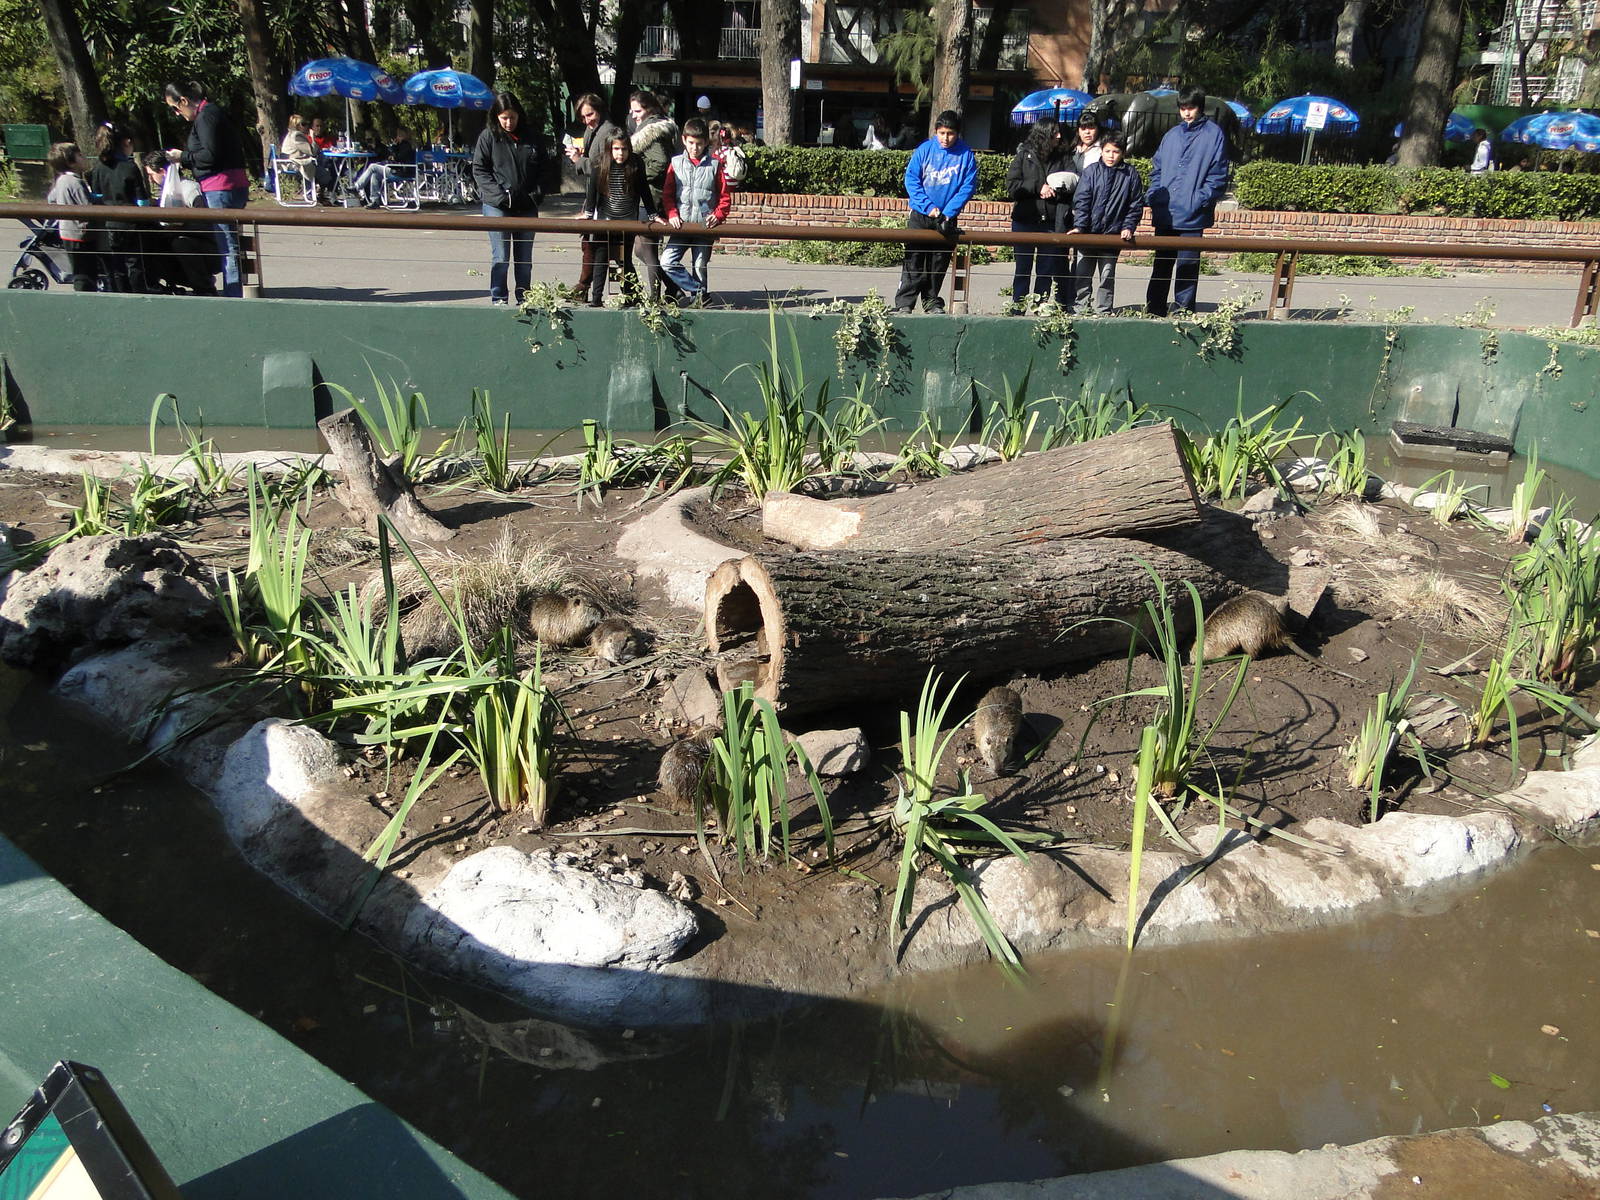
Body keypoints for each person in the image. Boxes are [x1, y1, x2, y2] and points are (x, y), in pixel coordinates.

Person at [1143, 86, 1230, 317]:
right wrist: (1155, 195)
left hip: (1192, 216)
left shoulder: (1214, 135)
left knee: (1187, 268)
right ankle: (1154, 311)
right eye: (1182, 108)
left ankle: (1183, 312)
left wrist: (1198, 200)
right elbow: (1157, 169)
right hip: (1166, 214)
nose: (1186, 113)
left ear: (1200, 108)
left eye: (1190, 108)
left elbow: (1218, 175)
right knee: (1161, 267)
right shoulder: (1171, 135)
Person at [163, 81, 250, 297]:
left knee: (227, 246)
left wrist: (181, 157)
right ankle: (234, 292)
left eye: (175, 108)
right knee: (229, 244)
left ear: (184, 101)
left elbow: (210, 155)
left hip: (221, 188)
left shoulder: (206, 116)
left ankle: (233, 297)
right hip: (228, 185)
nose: (176, 114)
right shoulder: (211, 115)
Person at [893, 109, 977, 315]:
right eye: (942, 133)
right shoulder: (924, 150)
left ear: (957, 133)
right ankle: (905, 302)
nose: (946, 138)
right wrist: (930, 208)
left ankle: (931, 301)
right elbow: (912, 180)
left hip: (947, 217)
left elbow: (968, 186)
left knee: (938, 261)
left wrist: (948, 212)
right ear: (936, 132)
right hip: (922, 215)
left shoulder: (966, 155)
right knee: (914, 259)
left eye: (950, 133)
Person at [471, 92, 545, 305]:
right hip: (498, 205)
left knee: (524, 260)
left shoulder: (532, 137)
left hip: (527, 204)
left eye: (512, 117)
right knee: (501, 256)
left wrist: (536, 193)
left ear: (519, 115)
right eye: (504, 118)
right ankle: (499, 298)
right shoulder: (488, 137)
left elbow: (544, 169)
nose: (509, 122)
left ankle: (524, 298)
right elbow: (480, 170)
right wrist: (499, 196)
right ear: (496, 116)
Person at [1068, 133, 1144, 315]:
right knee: (1082, 275)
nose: (1111, 155)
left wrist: (1128, 226)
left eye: (1115, 151)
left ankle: (1103, 310)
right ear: (1101, 151)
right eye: (1107, 151)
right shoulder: (1091, 171)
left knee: (1107, 276)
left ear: (1123, 153)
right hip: (1088, 234)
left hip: (1112, 234)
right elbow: (1082, 200)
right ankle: (1080, 309)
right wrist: (1079, 226)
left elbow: (1135, 204)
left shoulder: (1130, 174)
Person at [581, 134, 660, 307]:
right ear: (610, 149)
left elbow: (644, 189)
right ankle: (596, 299)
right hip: (605, 217)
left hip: (627, 219)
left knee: (624, 259)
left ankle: (630, 298)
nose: (620, 153)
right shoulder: (599, 162)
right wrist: (588, 213)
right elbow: (592, 189)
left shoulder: (636, 163)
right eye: (616, 149)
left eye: (624, 149)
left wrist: (653, 214)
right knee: (601, 256)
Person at [660, 117, 730, 305]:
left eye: (699, 144)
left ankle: (700, 303)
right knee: (667, 261)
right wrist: (672, 213)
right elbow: (667, 195)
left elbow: (724, 197)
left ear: (706, 142)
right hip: (681, 224)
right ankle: (700, 292)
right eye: (691, 143)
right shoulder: (675, 163)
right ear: (684, 140)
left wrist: (718, 215)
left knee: (699, 266)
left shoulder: (714, 165)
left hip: (704, 225)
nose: (695, 148)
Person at [565, 92, 622, 301]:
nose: (587, 120)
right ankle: (588, 287)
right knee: (594, 245)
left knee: (605, 249)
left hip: (606, 199)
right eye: (583, 117)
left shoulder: (607, 132)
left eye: (590, 114)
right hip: (596, 197)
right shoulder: (594, 130)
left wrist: (579, 160)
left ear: (599, 110)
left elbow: (602, 166)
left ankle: (596, 290)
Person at [1004, 118, 1064, 307]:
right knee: (1022, 267)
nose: (1059, 136)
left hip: (1050, 223)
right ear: (1044, 134)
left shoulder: (1062, 157)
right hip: (1025, 220)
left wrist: (1058, 187)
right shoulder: (1023, 155)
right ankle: (1018, 307)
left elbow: (1072, 181)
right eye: (1055, 132)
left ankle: (1041, 309)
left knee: (1046, 269)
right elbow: (1012, 186)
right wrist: (1038, 188)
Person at [628, 90, 682, 300]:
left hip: (652, 196)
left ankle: (656, 297)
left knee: (647, 248)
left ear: (649, 109)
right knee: (641, 249)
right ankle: (671, 286)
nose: (633, 115)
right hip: (652, 195)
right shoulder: (658, 127)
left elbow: (660, 163)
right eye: (632, 111)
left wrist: (636, 175)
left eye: (637, 111)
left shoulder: (652, 131)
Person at [139, 151, 217, 294]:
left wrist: (181, 226)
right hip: (184, 243)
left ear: (162, 171)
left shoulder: (188, 188)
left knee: (180, 244)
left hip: (201, 245)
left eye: (151, 175)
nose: (150, 180)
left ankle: (204, 288)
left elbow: (204, 219)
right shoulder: (166, 191)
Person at [88, 121, 149, 293]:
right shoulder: (130, 167)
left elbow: (97, 197)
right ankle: (139, 294)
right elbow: (142, 200)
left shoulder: (98, 169)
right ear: (127, 142)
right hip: (130, 224)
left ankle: (120, 294)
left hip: (108, 224)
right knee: (134, 262)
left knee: (116, 265)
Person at [46, 142, 100, 292]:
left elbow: (51, 199)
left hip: (66, 232)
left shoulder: (60, 180)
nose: (83, 158)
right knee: (86, 273)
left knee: (78, 269)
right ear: (71, 162)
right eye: (80, 155)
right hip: (81, 234)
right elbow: (87, 206)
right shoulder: (75, 182)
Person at [279, 114, 334, 198]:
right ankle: (320, 191)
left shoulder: (291, 134)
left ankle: (314, 191)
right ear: (297, 126)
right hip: (294, 164)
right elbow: (312, 152)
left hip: (291, 162)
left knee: (319, 166)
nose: (307, 126)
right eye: (303, 124)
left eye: (307, 123)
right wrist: (313, 137)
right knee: (324, 173)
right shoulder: (297, 136)